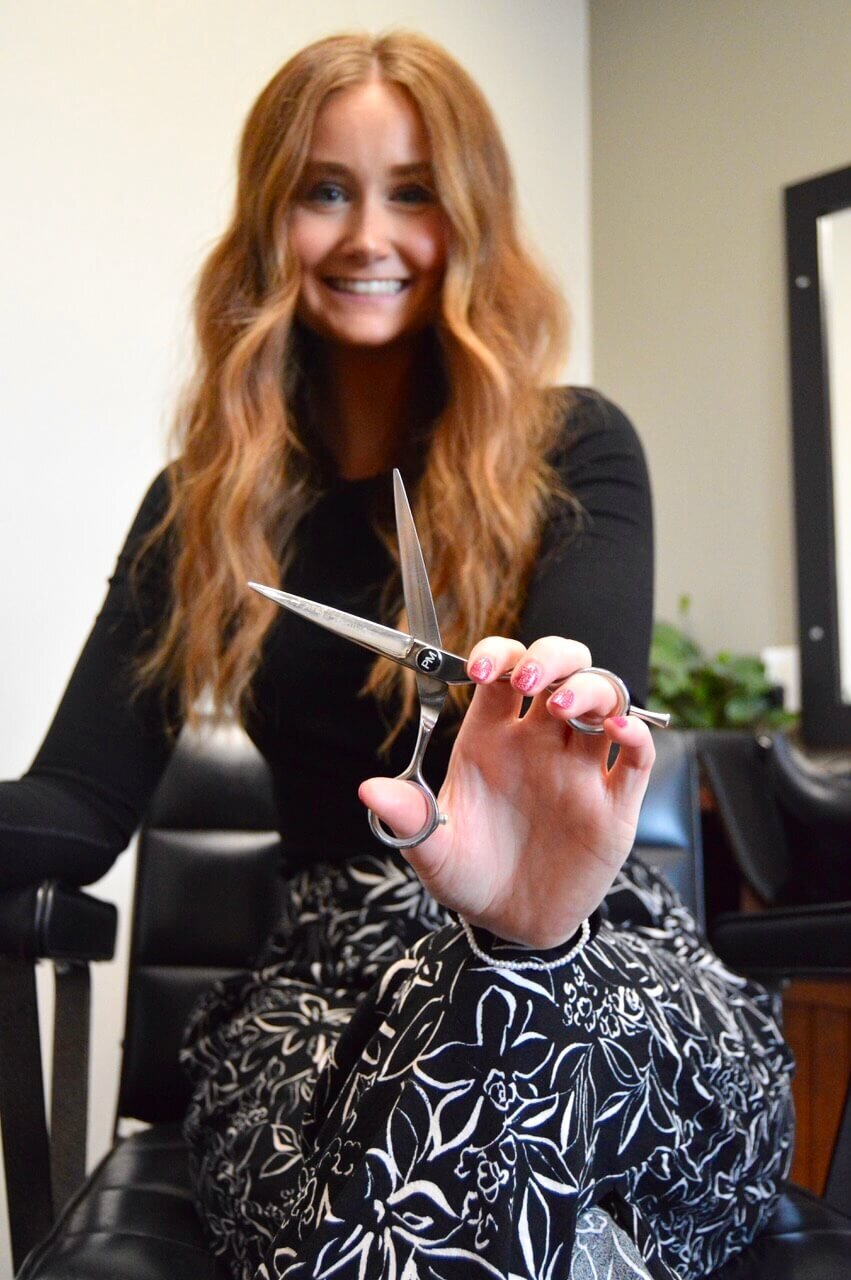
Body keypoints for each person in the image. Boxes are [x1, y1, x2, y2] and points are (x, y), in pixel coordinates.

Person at [0, 30, 792, 1280]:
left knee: (530, 1090)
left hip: (591, 938)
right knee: (441, 1158)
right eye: (325, 190)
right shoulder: (197, 507)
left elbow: (584, 696)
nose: (369, 234)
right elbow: (75, 804)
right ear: (270, 223)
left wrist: (527, 900)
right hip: (332, 973)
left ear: (468, 214)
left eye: (412, 190)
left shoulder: (574, 453)